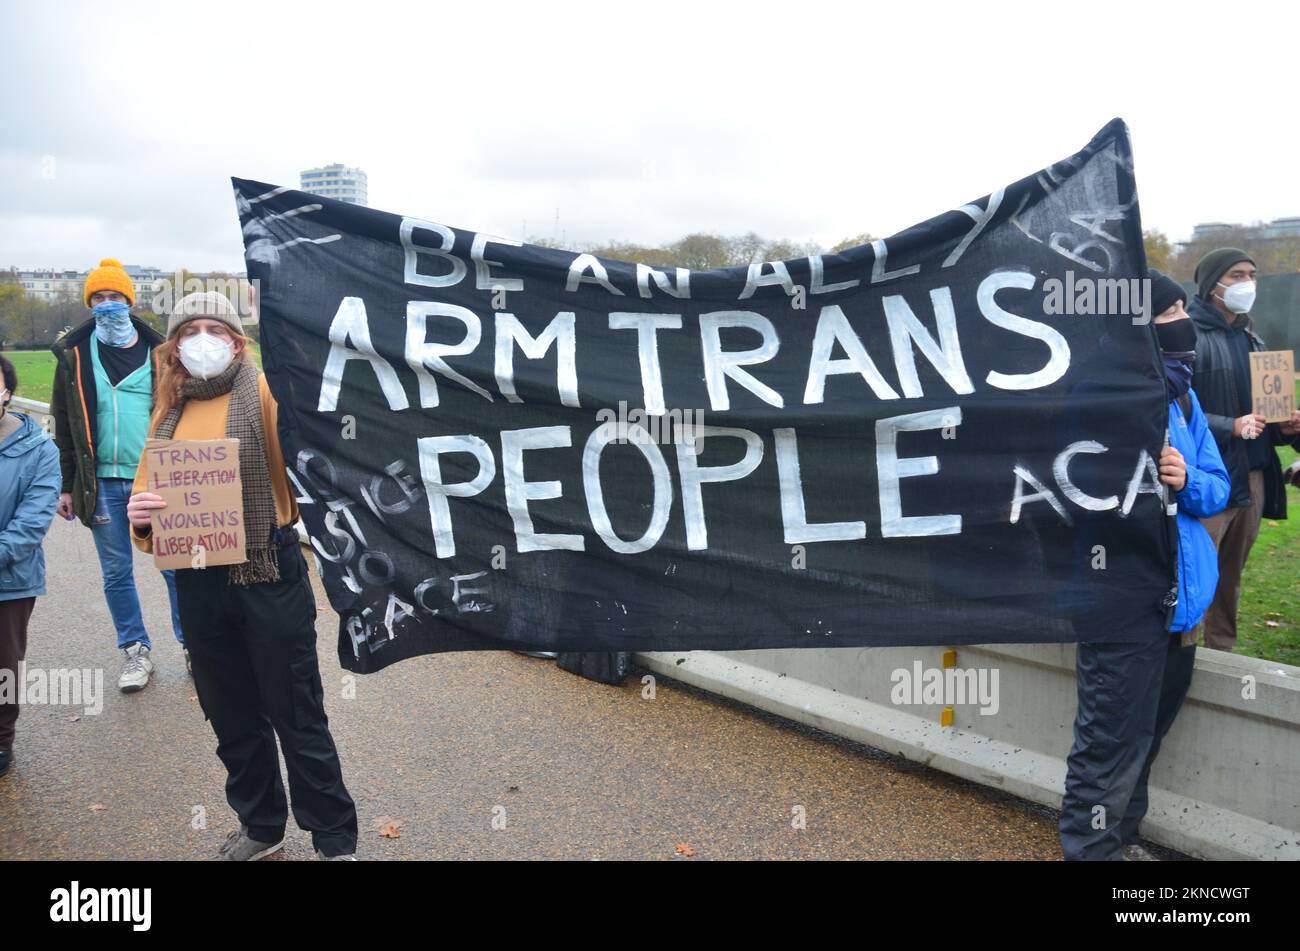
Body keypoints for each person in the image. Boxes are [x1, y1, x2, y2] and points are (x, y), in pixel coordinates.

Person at [126, 292, 358, 861]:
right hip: (197, 581)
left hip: (267, 571)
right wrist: (141, 518)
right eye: (190, 329)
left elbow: (316, 463)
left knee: (295, 711)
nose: (203, 338)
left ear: (237, 341)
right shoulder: (168, 409)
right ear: (175, 345)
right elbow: (146, 494)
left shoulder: (269, 391)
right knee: (230, 714)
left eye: (216, 328)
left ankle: (333, 837)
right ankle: (261, 826)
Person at [1059, 271, 1230, 861]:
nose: (1183, 322)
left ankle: (1122, 841)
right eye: (1168, 311)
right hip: (1122, 600)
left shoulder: (1184, 395)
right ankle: (1092, 851)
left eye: (1185, 307)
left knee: (1148, 737)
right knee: (1110, 742)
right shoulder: (1093, 395)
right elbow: (1074, 498)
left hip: (1181, 604)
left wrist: (1186, 482)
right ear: (1134, 326)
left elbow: (1219, 486)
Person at [49, 258, 186, 690]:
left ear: (130, 301)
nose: (107, 305)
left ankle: (193, 645)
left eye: (115, 297)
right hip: (101, 483)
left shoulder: (160, 354)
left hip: (155, 479)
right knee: (116, 572)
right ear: (90, 304)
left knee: (175, 567)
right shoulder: (72, 356)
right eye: (99, 298)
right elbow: (63, 425)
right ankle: (135, 652)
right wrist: (66, 485)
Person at [1187, 249, 1300, 651]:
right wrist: (1228, 427)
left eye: (1252, 274)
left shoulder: (1257, 341)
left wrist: (1285, 427)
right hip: (1206, 480)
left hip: (1253, 478)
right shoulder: (1187, 338)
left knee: (1230, 578)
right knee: (1195, 575)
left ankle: (1222, 656)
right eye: (1236, 275)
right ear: (1212, 283)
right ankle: (1182, 656)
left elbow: (1266, 417)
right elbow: (1175, 412)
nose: (1247, 283)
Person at [0, 355, 62, 777]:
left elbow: (33, 522)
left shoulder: (39, 450)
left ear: (7, 391)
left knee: (3, 662)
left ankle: (2, 739)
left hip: (10, 579)